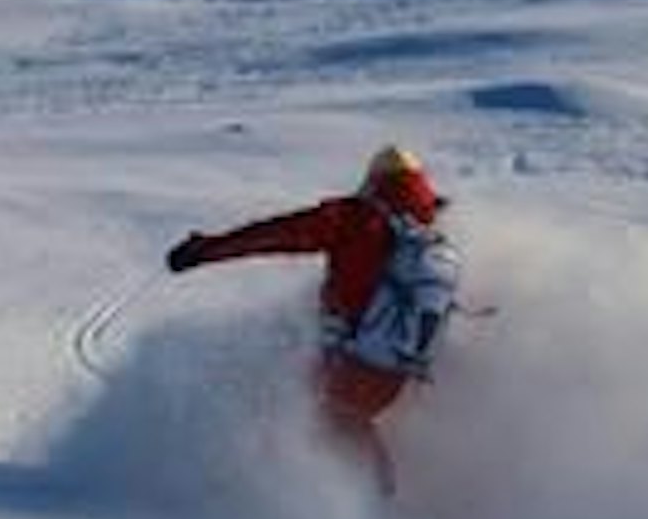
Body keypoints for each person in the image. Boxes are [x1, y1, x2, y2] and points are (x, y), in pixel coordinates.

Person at [165, 145, 456, 496]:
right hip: (398, 370)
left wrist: (208, 249)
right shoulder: (429, 232)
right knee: (343, 418)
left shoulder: (356, 218)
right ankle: (387, 502)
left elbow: (277, 234)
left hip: (351, 366)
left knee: (280, 402)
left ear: (374, 179)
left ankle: (249, 494)